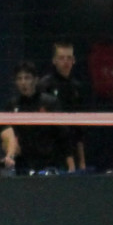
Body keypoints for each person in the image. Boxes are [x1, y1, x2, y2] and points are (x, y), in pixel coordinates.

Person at [9, 62, 75, 173]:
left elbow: (63, 133)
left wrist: (70, 163)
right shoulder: (12, 105)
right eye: (19, 79)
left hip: (50, 163)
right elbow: (8, 133)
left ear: (36, 80)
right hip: (23, 164)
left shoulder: (50, 102)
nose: (23, 82)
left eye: (27, 78)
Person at [44, 40, 89, 170]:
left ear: (74, 60)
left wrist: (82, 161)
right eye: (61, 58)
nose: (66, 62)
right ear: (54, 60)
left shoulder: (77, 88)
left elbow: (80, 128)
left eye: (69, 58)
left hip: (73, 149)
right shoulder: (45, 86)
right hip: (50, 152)